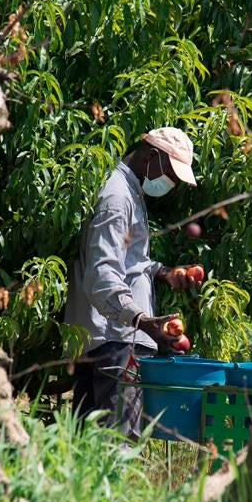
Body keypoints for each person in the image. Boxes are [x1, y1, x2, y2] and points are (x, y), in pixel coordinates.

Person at [66, 127, 203, 440]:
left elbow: (126, 260)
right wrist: (142, 321)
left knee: (87, 445)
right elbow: (102, 274)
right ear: (152, 156)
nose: (169, 184)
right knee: (120, 442)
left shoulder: (128, 191)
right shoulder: (117, 198)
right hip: (116, 338)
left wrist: (163, 272)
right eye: (169, 174)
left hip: (109, 336)